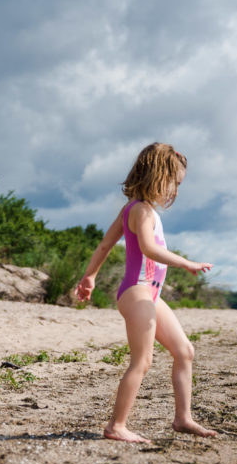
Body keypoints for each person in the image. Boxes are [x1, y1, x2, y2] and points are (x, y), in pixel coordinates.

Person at [76, 142, 217, 443]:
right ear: (157, 176)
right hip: (137, 293)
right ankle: (117, 425)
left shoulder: (137, 209)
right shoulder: (140, 210)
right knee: (142, 361)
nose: (175, 191)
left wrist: (90, 276)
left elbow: (104, 245)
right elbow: (148, 249)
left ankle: (183, 418)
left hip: (148, 294)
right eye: (173, 183)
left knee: (184, 351)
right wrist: (186, 263)